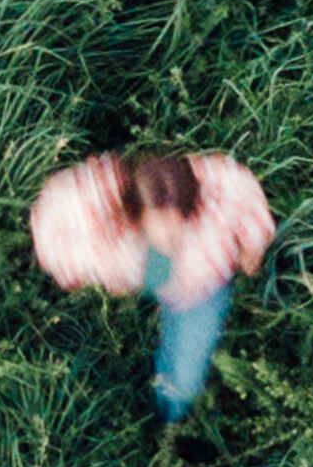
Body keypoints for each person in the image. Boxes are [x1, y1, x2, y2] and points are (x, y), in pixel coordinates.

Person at [30, 148, 276, 422]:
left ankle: (170, 416)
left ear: (193, 209)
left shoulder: (220, 191)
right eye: (156, 229)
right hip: (140, 266)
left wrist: (252, 248)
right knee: (157, 273)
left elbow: (248, 199)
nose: (166, 240)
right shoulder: (99, 199)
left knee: (185, 375)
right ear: (133, 212)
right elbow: (52, 216)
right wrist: (72, 272)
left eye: (174, 231)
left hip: (197, 291)